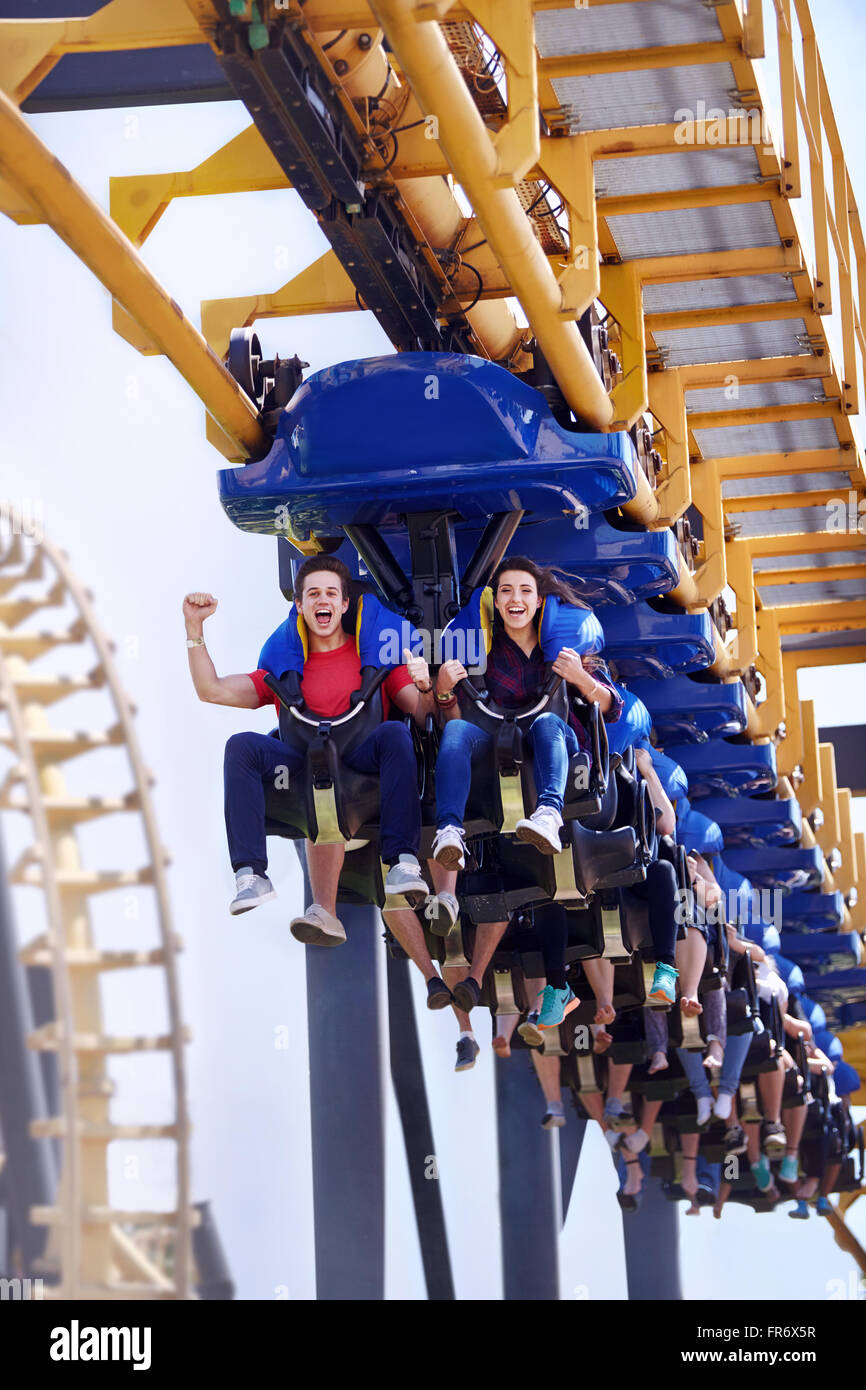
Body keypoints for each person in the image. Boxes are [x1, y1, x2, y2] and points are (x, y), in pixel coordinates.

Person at [183, 560, 454, 1009]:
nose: (322, 600)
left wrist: (427, 686)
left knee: (395, 733)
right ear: (300, 605)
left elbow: (423, 715)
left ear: (345, 604)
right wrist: (194, 630)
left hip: (365, 768)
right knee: (241, 747)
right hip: (309, 770)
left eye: (331, 593)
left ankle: (402, 860)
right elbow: (211, 689)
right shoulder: (285, 667)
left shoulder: (377, 657)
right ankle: (252, 873)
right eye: (313, 594)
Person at [430, 556, 623, 1030]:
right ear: (495, 602)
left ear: (539, 602)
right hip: (491, 746)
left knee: (549, 723)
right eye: (506, 592)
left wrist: (579, 677)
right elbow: (448, 722)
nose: (515, 600)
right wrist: (442, 692)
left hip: (550, 747)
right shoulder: (483, 652)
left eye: (525, 592)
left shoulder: (564, 649)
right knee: (455, 738)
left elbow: (610, 707)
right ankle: (450, 830)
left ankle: (549, 815)